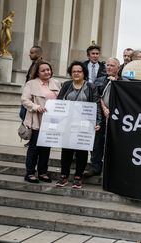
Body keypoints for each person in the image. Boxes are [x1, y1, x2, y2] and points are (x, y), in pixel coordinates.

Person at [56, 61, 101, 189]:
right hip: (68, 124)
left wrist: (97, 122)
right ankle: (64, 176)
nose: (76, 73)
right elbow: (59, 102)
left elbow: (96, 105)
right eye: (74, 71)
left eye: (79, 71)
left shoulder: (91, 87)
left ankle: (78, 177)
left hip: (84, 124)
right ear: (71, 73)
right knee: (66, 150)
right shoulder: (66, 85)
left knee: (82, 151)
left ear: (84, 73)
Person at [21, 61, 61, 183]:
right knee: (34, 147)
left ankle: (43, 172)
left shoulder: (56, 83)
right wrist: (36, 107)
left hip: (51, 122)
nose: (46, 72)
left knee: (46, 148)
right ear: (37, 72)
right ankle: (30, 173)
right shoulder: (31, 84)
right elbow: (24, 99)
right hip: (36, 120)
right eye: (43, 70)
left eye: (48, 69)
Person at [84, 58, 122, 178]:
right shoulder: (99, 80)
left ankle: (112, 168)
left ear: (118, 68)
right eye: (107, 65)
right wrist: (104, 108)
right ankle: (95, 167)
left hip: (117, 118)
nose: (109, 67)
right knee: (97, 142)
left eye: (112, 65)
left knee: (114, 143)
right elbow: (95, 97)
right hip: (100, 117)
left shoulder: (124, 82)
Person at [19, 46, 44, 122]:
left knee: (24, 113)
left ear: (38, 54)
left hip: (34, 93)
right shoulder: (34, 63)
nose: (29, 54)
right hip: (29, 91)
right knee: (23, 113)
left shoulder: (40, 65)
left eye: (32, 53)